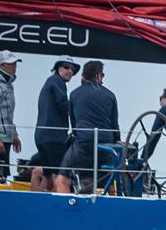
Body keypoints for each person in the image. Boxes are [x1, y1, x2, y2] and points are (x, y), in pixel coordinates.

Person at [54, 61, 120, 193]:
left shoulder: (74, 94)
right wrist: (117, 145)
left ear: (83, 76)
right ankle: (114, 207)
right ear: (99, 76)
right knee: (110, 181)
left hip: (84, 142)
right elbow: (115, 126)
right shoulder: (110, 95)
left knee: (61, 180)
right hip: (106, 144)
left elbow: (74, 126)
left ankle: (68, 212)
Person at [34, 55, 78, 191]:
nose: (70, 71)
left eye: (72, 69)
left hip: (41, 136)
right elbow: (64, 104)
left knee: (47, 176)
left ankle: (37, 204)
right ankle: (59, 210)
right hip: (54, 137)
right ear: (57, 69)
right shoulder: (57, 82)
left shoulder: (49, 82)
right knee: (60, 176)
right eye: (66, 67)